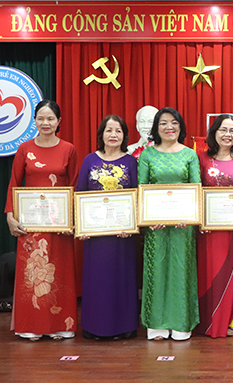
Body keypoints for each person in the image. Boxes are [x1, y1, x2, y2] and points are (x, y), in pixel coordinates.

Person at [4, 100, 78, 341]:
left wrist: (73, 219)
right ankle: (31, 325)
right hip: (31, 225)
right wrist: (10, 216)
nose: (45, 123)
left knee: (60, 273)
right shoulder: (25, 149)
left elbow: (75, 186)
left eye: (50, 119)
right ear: (34, 120)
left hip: (60, 224)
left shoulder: (69, 149)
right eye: (41, 118)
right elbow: (14, 183)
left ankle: (60, 324)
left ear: (59, 122)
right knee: (32, 273)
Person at [138, 107, 200, 341]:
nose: (169, 127)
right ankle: (156, 325)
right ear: (156, 128)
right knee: (157, 270)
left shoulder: (189, 154)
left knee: (181, 271)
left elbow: (196, 187)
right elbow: (141, 189)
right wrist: (148, 220)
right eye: (163, 123)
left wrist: (191, 217)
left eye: (174, 123)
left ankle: (181, 323)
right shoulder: (147, 155)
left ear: (181, 127)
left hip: (184, 227)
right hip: (156, 227)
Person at [76, 115, 138, 340]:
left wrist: (130, 225)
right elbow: (80, 193)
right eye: (109, 130)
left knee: (121, 278)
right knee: (97, 280)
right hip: (96, 234)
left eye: (118, 131)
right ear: (101, 134)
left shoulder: (131, 162)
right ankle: (94, 327)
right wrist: (82, 226)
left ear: (125, 135)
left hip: (122, 234)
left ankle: (124, 326)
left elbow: (137, 197)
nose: (113, 135)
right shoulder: (89, 160)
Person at [196, 114, 233, 338]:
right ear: (214, 132)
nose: (227, 134)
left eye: (232, 130)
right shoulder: (201, 159)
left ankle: (232, 321)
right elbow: (196, 192)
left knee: (232, 275)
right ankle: (209, 321)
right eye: (223, 129)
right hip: (209, 231)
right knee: (209, 275)